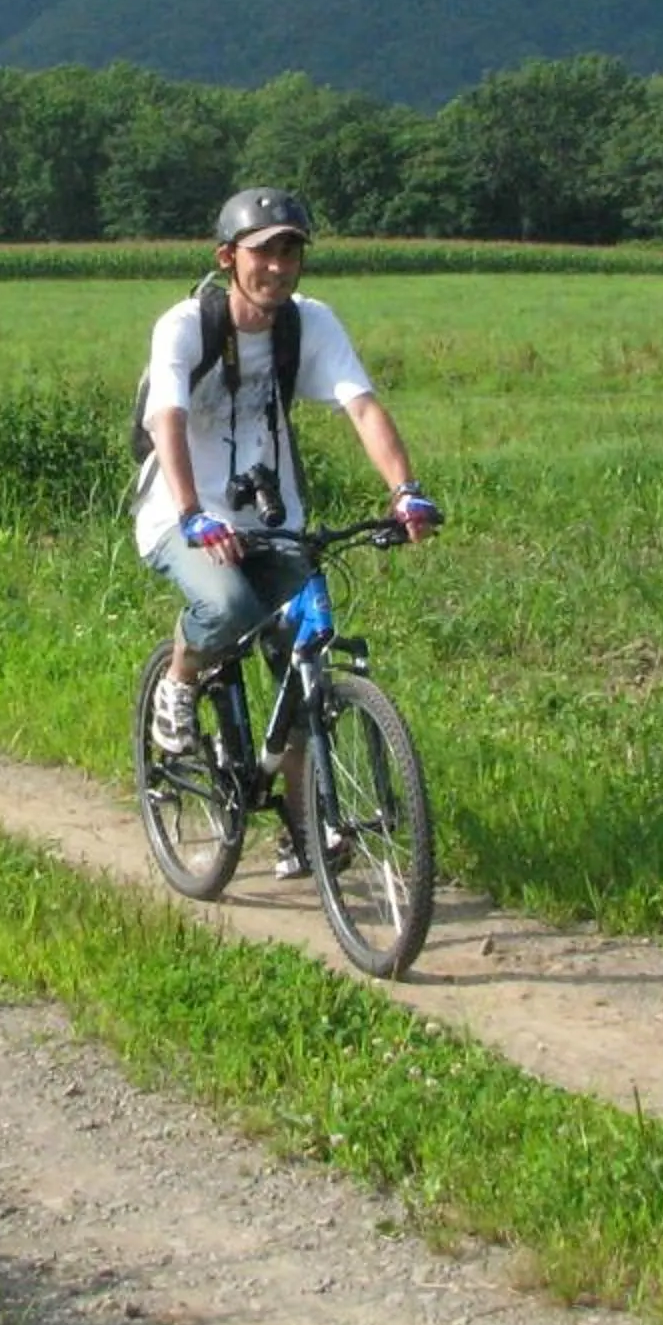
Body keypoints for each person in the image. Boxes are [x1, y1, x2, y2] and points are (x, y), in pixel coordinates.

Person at [133, 187, 441, 876]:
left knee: (304, 667)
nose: (278, 266)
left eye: (291, 251)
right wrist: (193, 511)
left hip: (273, 518)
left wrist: (405, 490)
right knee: (229, 607)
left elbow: (361, 407)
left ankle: (304, 832)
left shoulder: (310, 324)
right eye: (263, 252)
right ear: (227, 258)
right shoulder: (186, 325)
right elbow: (168, 422)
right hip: (181, 512)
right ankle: (179, 680)